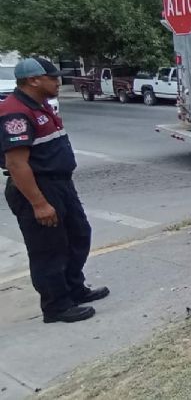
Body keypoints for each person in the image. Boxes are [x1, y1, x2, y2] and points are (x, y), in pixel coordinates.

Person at [1, 58, 108, 323]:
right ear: (33, 80)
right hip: (39, 187)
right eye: (53, 77)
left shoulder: (40, 105)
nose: (59, 82)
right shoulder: (15, 112)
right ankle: (56, 306)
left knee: (78, 235)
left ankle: (74, 289)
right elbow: (16, 163)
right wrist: (39, 204)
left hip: (60, 185)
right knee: (49, 249)